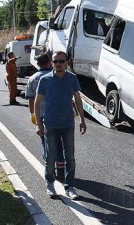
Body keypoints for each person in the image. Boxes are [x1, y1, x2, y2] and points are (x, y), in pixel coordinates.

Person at [34, 50, 86, 199]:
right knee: (50, 157)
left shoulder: (72, 79)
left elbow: (77, 99)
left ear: (67, 63)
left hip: (68, 124)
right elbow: (37, 103)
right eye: (55, 61)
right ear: (51, 63)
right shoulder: (45, 80)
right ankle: (50, 183)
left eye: (61, 61)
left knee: (70, 157)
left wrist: (82, 119)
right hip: (50, 124)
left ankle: (70, 187)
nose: (58, 64)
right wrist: (39, 124)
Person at [26, 53, 65, 181]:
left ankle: (50, 169)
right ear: (50, 62)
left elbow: (31, 100)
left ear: (37, 64)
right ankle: (60, 170)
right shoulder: (57, 76)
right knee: (59, 143)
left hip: (41, 116)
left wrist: (33, 115)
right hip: (58, 115)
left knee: (46, 143)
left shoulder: (32, 79)